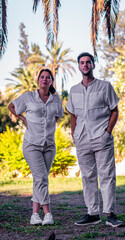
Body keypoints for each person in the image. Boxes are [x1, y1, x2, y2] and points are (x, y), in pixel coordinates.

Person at [66, 52, 123, 227]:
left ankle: (110, 214)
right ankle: (92, 213)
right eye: (82, 63)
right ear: (78, 66)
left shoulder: (105, 86)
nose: (85, 65)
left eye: (88, 62)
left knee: (107, 176)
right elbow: (73, 114)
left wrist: (107, 131)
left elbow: (114, 110)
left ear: (93, 65)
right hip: (82, 138)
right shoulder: (73, 90)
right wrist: (74, 134)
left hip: (101, 137)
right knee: (87, 176)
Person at [8, 68, 64, 225]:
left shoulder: (56, 100)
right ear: (38, 80)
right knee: (41, 178)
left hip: (49, 146)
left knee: (40, 180)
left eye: (48, 77)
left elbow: (59, 115)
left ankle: (34, 214)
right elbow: (11, 106)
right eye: (42, 77)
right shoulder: (28, 97)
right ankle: (47, 214)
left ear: (51, 81)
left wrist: (48, 127)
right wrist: (23, 119)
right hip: (32, 144)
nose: (44, 79)